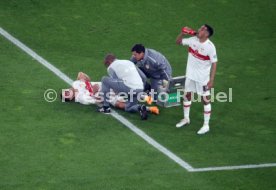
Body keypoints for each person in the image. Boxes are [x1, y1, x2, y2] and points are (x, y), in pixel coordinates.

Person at [175, 24, 218, 135]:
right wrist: (182, 34)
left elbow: (214, 63)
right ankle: (186, 118)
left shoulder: (210, 47)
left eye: (202, 29)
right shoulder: (193, 39)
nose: (199, 29)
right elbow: (178, 42)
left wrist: (211, 80)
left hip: (202, 79)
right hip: (190, 75)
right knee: (187, 95)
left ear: (207, 33)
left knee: (205, 99)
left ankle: (206, 125)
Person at [97, 54, 159, 119]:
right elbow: (143, 77)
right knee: (128, 108)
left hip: (129, 88)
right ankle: (141, 107)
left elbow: (116, 81)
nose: (107, 66)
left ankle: (106, 108)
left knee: (104, 79)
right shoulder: (129, 62)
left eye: (106, 64)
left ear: (109, 62)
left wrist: (116, 92)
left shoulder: (111, 67)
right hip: (139, 88)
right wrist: (141, 88)